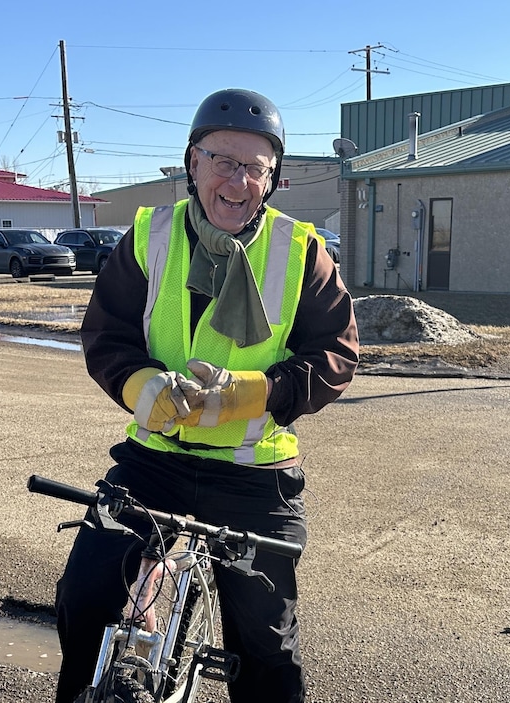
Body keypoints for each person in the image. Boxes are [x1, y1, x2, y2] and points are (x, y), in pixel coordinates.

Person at [53, 88, 360, 703]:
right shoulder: (148, 235)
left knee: (266, 651)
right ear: (193, 163)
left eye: (254, 167)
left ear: (273, 179)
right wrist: (139, 384)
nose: (237, 181)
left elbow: (336, 355)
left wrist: (258, 393)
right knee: (84, 598)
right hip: (153, 464)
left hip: (254, 478)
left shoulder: (302, 250)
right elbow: (106, 333)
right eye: (223, 161)